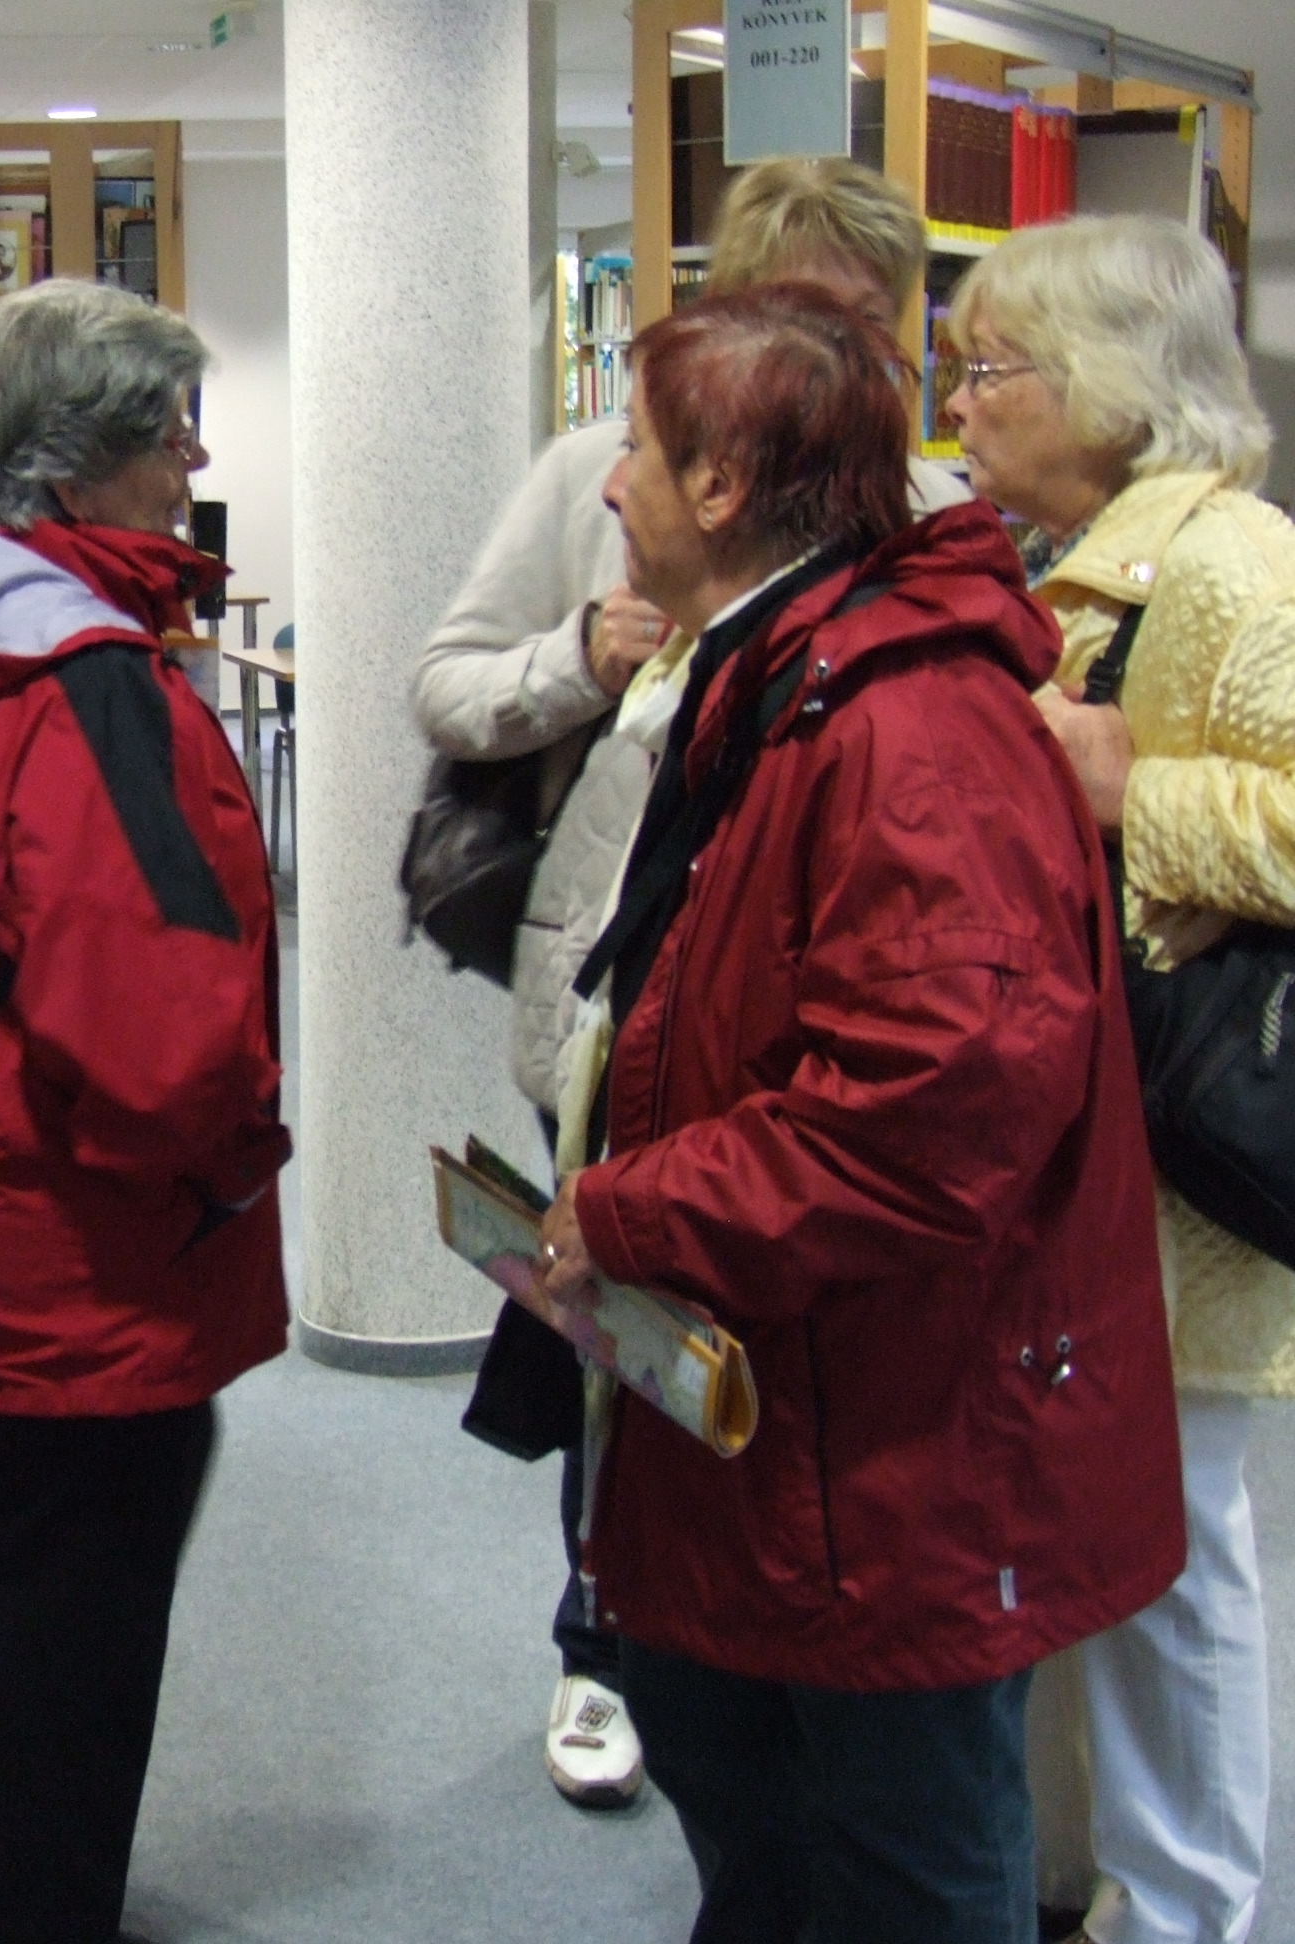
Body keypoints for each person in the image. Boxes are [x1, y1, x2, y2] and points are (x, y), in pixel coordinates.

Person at [528, 282, 1185, 1944]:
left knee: (896, 1858)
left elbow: (925, 1114)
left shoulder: (909, 728)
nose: (610, 483)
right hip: (803, 1413)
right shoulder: (785, 677)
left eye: (635, 449)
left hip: (898, 1459)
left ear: (722, 486)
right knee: (767, 1813)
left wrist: (628, 1210)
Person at [411, 154, 970, 1809]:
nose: (847, 371)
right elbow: (449, 686)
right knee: (618, 1325)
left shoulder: (932, 506)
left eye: (875, 336)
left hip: (809, 995)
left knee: (798, 1333)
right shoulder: (611, 473)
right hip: (618, 981)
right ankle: (601, 1643)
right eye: (811, 326)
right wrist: (580, 661)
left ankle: (767, 1658)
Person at [0, 279, 289, 1944]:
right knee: (93, 1544)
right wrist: (244, 1150)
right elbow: (156, 1029)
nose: (195, 461)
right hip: (78, 1218)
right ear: (78, 462)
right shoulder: (84, 683)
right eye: (172, 429)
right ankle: (17, 1890)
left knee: (55, 1511)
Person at [944, 214, 1295, 1944]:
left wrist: (1128, 790)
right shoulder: (1065, 559)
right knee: (1097, 1525)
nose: (959, 401)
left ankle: (1184, 1908)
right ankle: (1091, 1874)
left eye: (989, 368)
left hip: (1192, 1163)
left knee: (1176, 1550)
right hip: (1095, 1150)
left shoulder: (1233, 567)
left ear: (1106, 385)